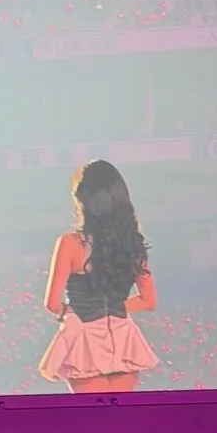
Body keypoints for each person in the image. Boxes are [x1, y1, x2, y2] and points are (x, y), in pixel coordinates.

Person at [39, 160, 158, 393]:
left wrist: (74, 311)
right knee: (121, 411)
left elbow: (52, 304)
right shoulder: (132, 244)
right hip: (122, 335)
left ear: (83, 200)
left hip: (84, 335)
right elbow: (148, 301)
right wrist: (112, 308)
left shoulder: (70, 244)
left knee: (93, 412)